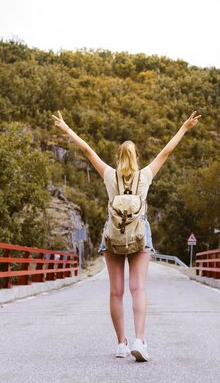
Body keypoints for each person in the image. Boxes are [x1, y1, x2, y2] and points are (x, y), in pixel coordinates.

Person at [52, 110, 201, 362]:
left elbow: (88, 151)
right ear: (135, 157)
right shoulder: (145, 176)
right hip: (139, 234)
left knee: (116, 291)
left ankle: (121, 343)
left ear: (119, 158)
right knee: (138, 287)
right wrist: (184, 128)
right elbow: (166, 151)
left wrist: (66, 129)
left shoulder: (110, 175)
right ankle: (139, 341)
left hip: (112, 236)